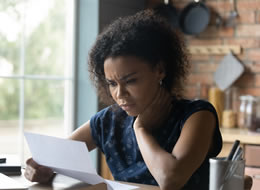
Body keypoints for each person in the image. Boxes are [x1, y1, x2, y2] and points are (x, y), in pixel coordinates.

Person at [24, 10, 223, 190]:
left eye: (131, 81)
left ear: (160, 70)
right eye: (112, 83)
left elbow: (170, 179)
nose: (119, 94)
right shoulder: (108, 121)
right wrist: (36, 168)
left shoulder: (197, 115)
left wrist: (140, 129)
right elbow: (51, 159)